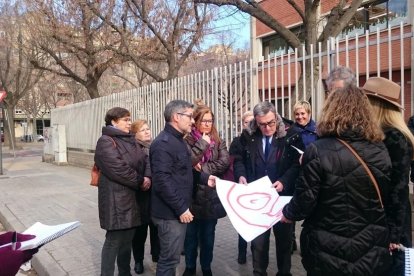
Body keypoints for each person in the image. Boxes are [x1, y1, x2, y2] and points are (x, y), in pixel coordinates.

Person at [281, 86, 392, 275]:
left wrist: (288, 213)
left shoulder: (317, 150)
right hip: (371, 245)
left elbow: (305, 200)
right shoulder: (380, 149)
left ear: (331, 111)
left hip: (327, 248)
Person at [232, 101, 303, 276]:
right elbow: (239, 159)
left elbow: (298, 164)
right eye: (262, 124)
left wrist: (284, 181)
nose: (267, 128)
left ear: (276, 117)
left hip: (282, 198)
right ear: (256, 121)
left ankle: (284, 272)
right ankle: (259, 272)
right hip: (257, 199)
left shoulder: (291, 134)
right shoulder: (248, 135)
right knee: (258, 245)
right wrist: (241, 175)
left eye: (271, 123)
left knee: (284, 242)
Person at [150, 100, 217, 276]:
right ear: (176, 117)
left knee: (172, 259)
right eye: (189, 116)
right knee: (169, 261)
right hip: (169, 214)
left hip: (176, 211)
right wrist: (181, 208)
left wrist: (206, 178)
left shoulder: (178, 140)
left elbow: (184, 169)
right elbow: (162, 181)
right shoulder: (163, 144)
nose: (193, 121)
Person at [363, 77, 414, 275]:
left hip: (391, 220)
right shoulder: (378, 133)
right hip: (378, 217)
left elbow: (399, 189)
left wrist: (394, 234)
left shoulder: (395, 137)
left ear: (376, 105)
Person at [95, 107, 150, 276]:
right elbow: (118, 169)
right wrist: (141, 180)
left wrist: (147, 176)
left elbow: (145, 160)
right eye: (125, 120)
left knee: (127, 241)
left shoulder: (130, 140)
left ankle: (125, 273)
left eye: (129, 119)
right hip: (115, 200)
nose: (129, 123)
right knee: (114, 241)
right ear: (113, 121)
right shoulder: (105, 141)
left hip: (133, 199)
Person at [182, 100, 229, 276]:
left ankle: (206, 267)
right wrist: (200, 154)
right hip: (192, 196)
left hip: (211, 197)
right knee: (190, 237)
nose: (207, 124)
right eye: (204, 121)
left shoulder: (218, 141)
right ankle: (190, 266)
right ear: (196, 121)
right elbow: (188, 163)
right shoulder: (187, 140)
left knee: (208, 237)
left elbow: (224, 162)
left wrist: (204, 169)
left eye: (210, 121)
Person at [131, 119, 160, 274]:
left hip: (156, 196)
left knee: (156, 231)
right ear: (135, 134)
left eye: (148, 129)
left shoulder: (156, 146)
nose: (147, 131)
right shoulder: (133, 149)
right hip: (140, 196)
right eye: (142, 130)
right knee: (140, 232)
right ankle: (138, 261)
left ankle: (156, 258)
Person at [290, 100, 317, 252]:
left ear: (309, 113)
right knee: (294, 203)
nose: (300, 117)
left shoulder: (318, 130)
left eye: (302, 114)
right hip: (296, 174)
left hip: (313, 174)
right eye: (297, 114)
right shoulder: (291, 131)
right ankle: (292, 238)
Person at [228, 110, 254, 264]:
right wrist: (240, 176)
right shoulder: (237, 142)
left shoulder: (259, 139)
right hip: (242, 185)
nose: (249, 125)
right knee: (243, 222)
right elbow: (235, 162)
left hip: (257, 185)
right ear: (242, 123)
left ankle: (255, 250)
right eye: (246, 122)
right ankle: (242, 252)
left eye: (252, 122)